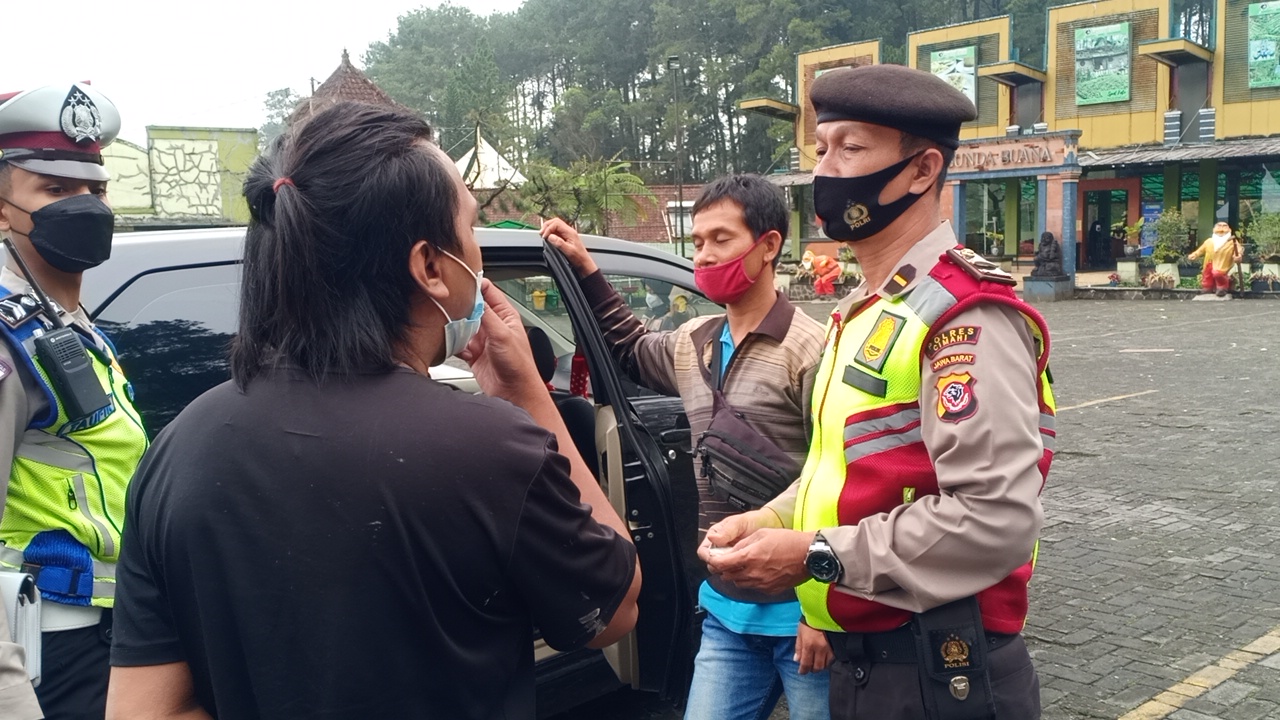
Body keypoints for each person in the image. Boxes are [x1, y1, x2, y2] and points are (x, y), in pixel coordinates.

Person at [106, 103, 640, 720]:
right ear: (432, 267)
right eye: (470, 226)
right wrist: (528, 397)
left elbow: (147, 710)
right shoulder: (489, 449)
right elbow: (615, 610)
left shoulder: (179, 448)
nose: (479, 249)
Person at [701, 64, 1056, 720]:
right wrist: (776, 519)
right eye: (821, 150)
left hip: (942, 672)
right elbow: (841, 472)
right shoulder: (863, 312)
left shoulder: (964, 316)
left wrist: (811, 555)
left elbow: (994, 518)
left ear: (922, 170)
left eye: (852, 148)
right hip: (867, 664)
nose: (827, 170)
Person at [541, 174, 831, 720]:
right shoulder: (693, 342)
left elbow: (836, 476)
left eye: (721, 239)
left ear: (768, 246)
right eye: (697, 242)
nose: (704, 254)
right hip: (723, 613)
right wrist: (585, 268)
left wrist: (824, 612)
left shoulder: (812, 349)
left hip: (803, 619)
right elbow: (627, 346)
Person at [0, 82, 148, 718]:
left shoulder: (66, 323)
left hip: (109, 637)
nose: (85, 205)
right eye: (55, 190)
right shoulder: (8, 339)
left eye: (96, 188)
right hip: (43, 654)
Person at [1188, 222, 1243, 297]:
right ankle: (1207, 288)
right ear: (1213, 229)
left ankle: (1222, 287)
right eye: (1219, 226)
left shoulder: (1232, 242)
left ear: (1229, 230)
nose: (1221, 229)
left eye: (1224, 226)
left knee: (1218, 274)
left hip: (1222, 263)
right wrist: (1194, 254)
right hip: (1209, 262)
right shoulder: (1209, 241)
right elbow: (1201, 250)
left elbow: (1238, 250)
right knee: (1207, 274)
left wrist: (1238, 256)